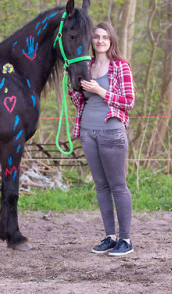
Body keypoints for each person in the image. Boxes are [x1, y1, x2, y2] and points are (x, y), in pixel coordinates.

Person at [69, 22, 135, 256]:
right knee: (101, 186)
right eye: (96, 37)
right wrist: (75, 87)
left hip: (111, 131)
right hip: (88, 132)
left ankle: (125, 240)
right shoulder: (85, 66)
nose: (100, 41)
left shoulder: (120, 67)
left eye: (105, 37)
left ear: (111, 40)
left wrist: (101, 91)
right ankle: (110, 236)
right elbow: (80, 101)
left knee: (118, 185)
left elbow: (128, 101)